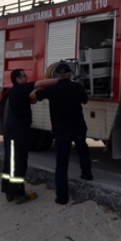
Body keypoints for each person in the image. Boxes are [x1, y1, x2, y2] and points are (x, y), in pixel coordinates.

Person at [30, 63, 92, 205]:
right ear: (70, 74)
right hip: (78, 127)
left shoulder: (52, 89)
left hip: (61, 130)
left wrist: (45, 85)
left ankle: (62, 197)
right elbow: (85, 101)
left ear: (56, 75)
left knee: (62, 165)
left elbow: (33, 96)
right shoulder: (77, 87)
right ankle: (87, 174)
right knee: (82, 149)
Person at [1, 68, 57, 204]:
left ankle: (9, 191)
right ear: (18, 79)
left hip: (12, 132)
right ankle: (19, 194)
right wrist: (60, 80)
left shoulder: (16, 91)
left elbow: (31, 100)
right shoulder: (21, 88)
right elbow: (39, 83)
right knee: (18, 163)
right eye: (24, 76)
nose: (27, 77)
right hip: (17, 133)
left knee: (10, 161)